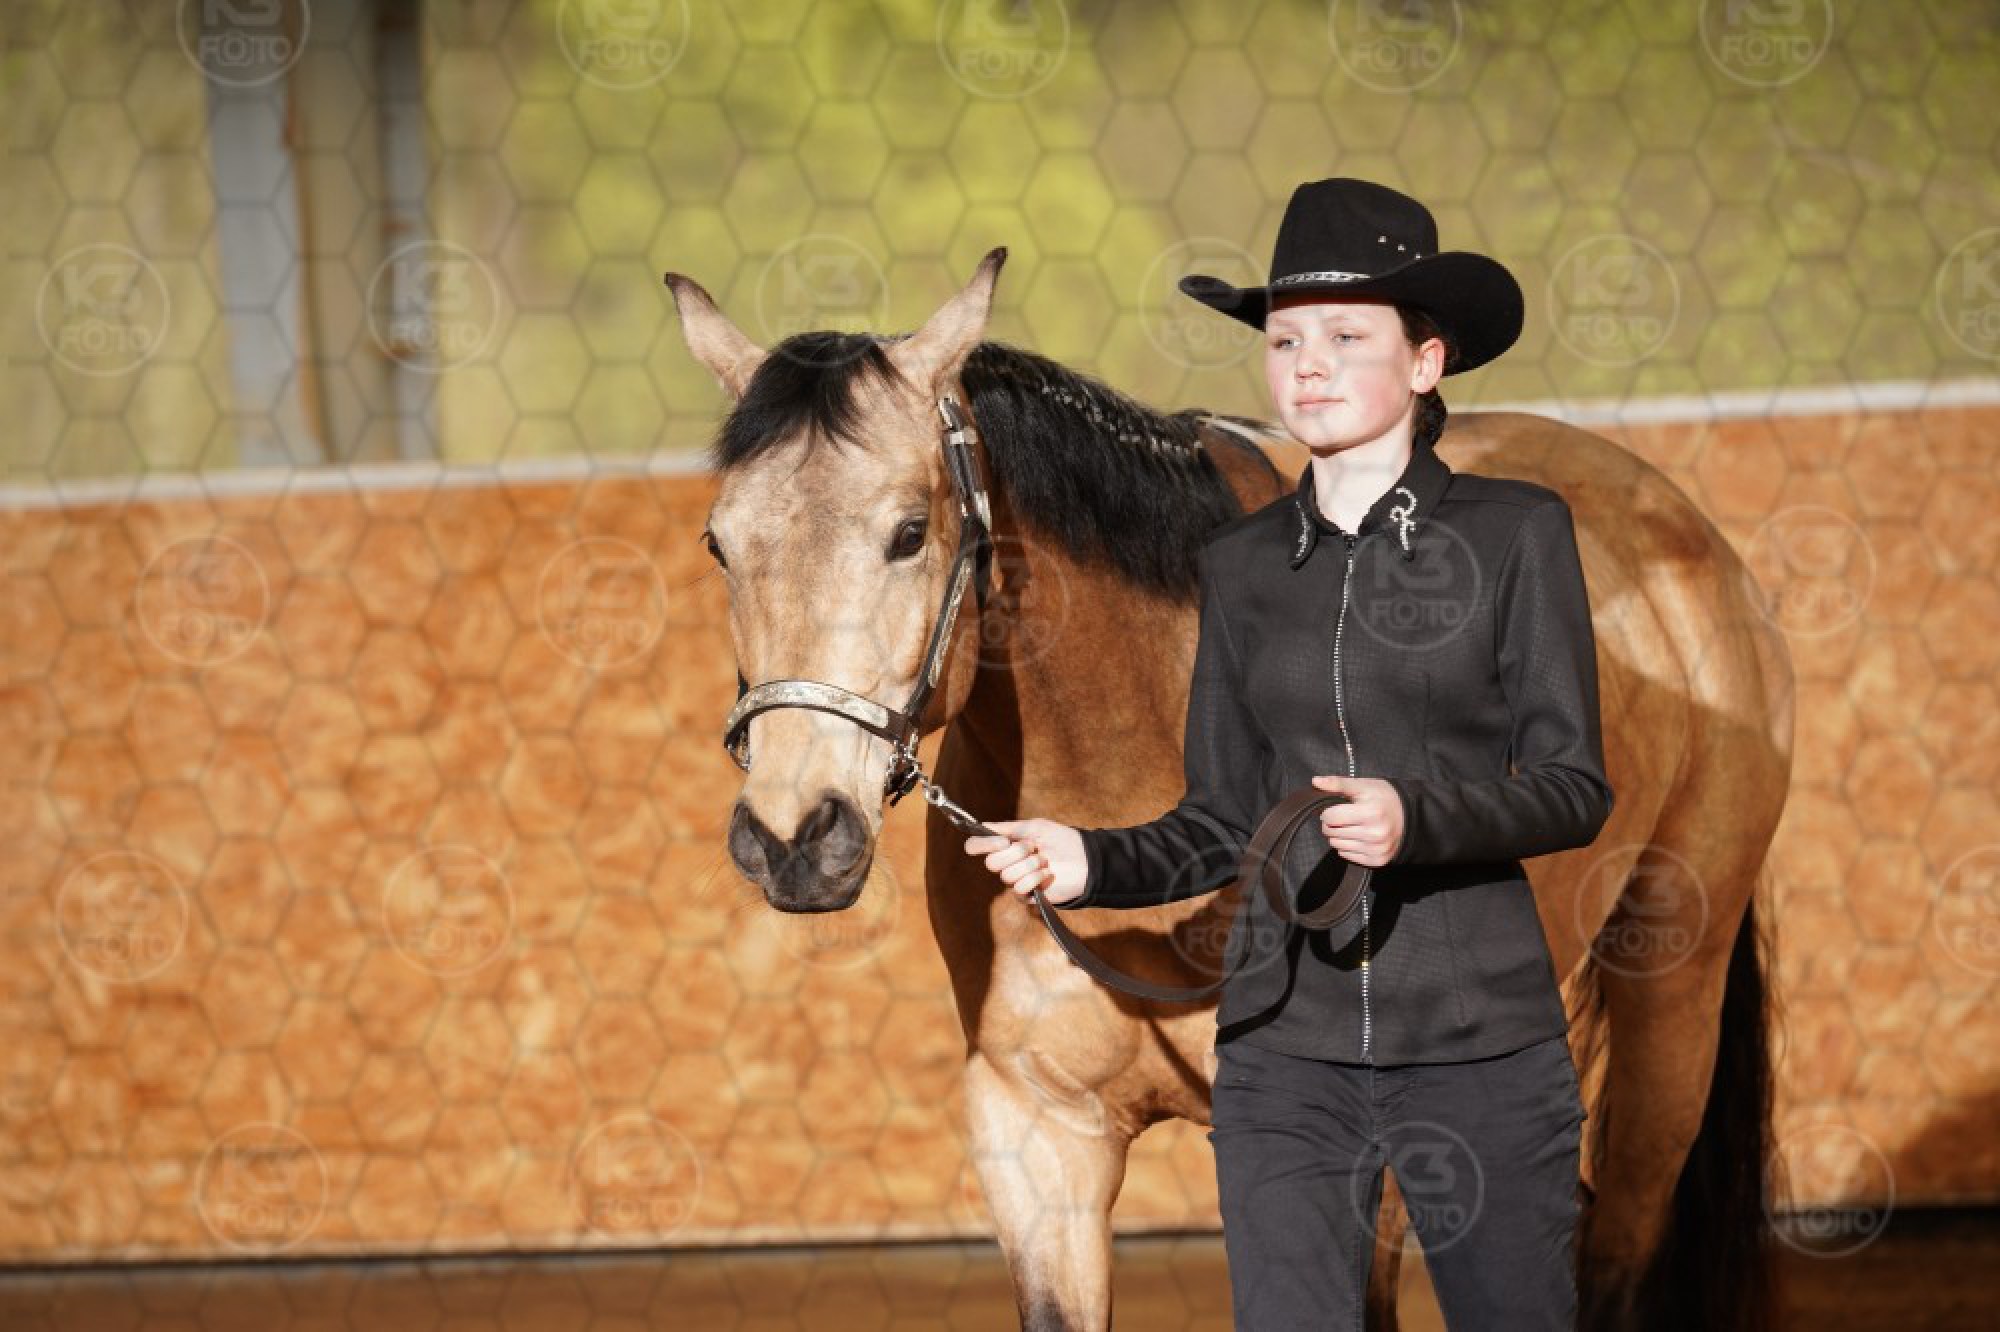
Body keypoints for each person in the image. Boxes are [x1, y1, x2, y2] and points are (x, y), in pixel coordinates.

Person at [962, 178, 1614, 1329]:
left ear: (1424, 361)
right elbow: (1221, 817)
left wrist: (1418, 820)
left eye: (1344, 338)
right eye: (1283, 342)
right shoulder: (1242, 564)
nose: (1306, 366)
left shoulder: (1517, 533)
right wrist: (1087, 859)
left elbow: (1571, 789)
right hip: (1280, 1060)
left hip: (1477, 1048)